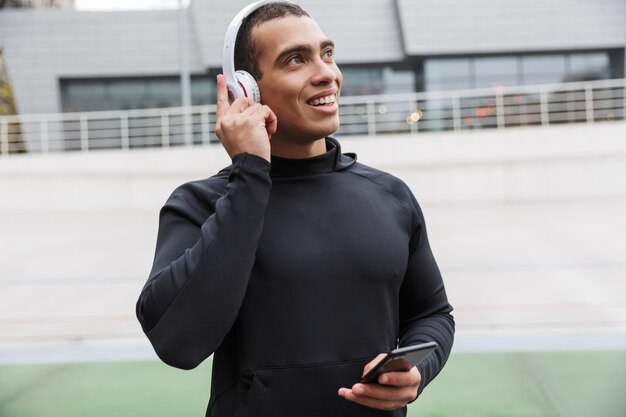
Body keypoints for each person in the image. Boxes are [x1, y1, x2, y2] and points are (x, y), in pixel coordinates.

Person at [136, 2, 454, 416]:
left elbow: (433, 315)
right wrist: (249, 174)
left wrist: (417, 373)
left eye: (326, 53)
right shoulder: (200, 204)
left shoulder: (390, 196)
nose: (326, 73)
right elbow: (178, 343)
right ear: (247, 89)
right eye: (295, 60)